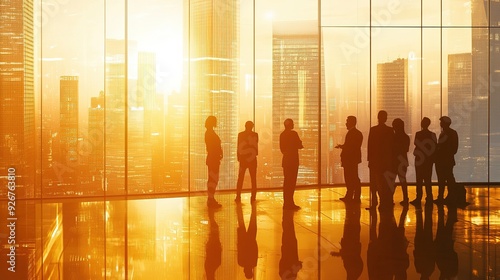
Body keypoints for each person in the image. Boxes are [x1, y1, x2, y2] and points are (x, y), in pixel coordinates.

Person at [367, 110, 394, 209]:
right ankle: (383, 202)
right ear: (386, 118)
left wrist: (369, 160)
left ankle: (374, 202)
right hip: (385, 162)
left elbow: (370, 146)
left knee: (374, 183)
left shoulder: (373, 130)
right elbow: (392, 147)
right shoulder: (390, 130)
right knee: (384, 183)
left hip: (375, 161)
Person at [336, 116, 363, 202]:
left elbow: (349, 147)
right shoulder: (358, 133)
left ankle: (350, 195)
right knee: (354, 177)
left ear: (351, 122)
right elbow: (354, 147)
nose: (346, 123)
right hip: (353, 159)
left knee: (349, 177)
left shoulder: (351, 133)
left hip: (349, 160)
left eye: (347, 121)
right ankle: (354, 195)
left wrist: (342, 147)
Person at [411, 117, 437, 206]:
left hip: (419, 159)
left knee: (419, 180)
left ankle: (419, 198)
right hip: (428, 160)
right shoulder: (432, 135)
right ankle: (429, 197)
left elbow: (416, 143)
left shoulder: (418, 134)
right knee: (428, 179)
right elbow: (434, 147)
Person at [280, 119, 303, 210]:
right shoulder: (294, 134)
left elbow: (282, 149)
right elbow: (299, 145)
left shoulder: (282, 135)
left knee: (287, 182)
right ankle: (290, 202)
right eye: (292, 123)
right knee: (292, 182)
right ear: (290, 125)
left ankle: (286, 203)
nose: (294, 125)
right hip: (293, 161)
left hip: (286, 161)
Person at [434, 116, 458, 204]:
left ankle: (445, 196)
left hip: (444, 160)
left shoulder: (448, 133)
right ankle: (446, 196)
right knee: (446, 178)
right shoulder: (448, 133)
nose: (440, 124)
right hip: (444, 160)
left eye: (441, 122)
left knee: (445, 179)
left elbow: (453, 148)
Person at [235, 121, 259, 203]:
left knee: (240, 178)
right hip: (252, 159)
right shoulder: (255, 135)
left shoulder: (240, 135)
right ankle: (253, 197)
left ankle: (238, 196)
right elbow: (256, 146)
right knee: (253, 179)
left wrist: (238, 156)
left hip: (243, 159)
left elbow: (238, 146)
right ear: (252, 126)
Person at [236, 201, 258, 278]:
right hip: (243, 240)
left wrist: (254, 242)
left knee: (253, 219)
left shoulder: (253, 263)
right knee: (240, 220)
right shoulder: (241, 262)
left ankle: (253, 205)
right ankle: (239, 206)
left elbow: (255, 251)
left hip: (251, 240)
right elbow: (239, 249)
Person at [205, 116, 223, 208]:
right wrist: (218, 154)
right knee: (213, 179)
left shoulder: (209, 132)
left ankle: (211, 199)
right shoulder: (209, 133)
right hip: (213, 159)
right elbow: (212, 147)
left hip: (213, 159)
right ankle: (211, 199)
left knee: (213, 179)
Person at [391, 118, 410, 205]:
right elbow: (406, 149)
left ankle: (390, 199)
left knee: (392, 180)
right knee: (403, 181)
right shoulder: (406, 137)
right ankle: (405, 198)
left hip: (394, 161)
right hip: (403, 161)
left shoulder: (393, 137)